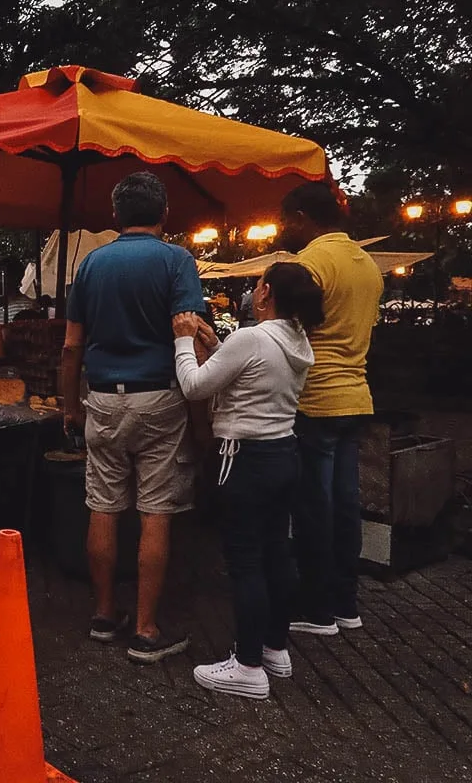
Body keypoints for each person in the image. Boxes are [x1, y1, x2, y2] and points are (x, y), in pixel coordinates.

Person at [61, 171, 203, 664]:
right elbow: (192, 332)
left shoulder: (91, 264)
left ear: (115, 215)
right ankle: (145, 628)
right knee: (155, 510)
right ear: (165, 214)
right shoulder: (177, 261)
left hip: (101, 398)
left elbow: (71, 345)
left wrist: (68, 403)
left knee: (102, 505)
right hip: (159, 397)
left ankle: (104, 615)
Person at [173, 263, 323, 699]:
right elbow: (251, 375)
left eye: (257, 284)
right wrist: (217, 345)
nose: (253, 290)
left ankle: (248, 666)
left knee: (245, 562)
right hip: (282, 452)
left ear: (266, 293)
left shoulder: (253, 338)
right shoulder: (294, 338)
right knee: (277, 553)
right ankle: (275, 647)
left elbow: (195, 386)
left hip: (243, 458)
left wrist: (184, 339)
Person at [280, 182, 384, 636]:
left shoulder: (310, 263)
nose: (285, 228)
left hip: (317, 398)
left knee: (313, 505)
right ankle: (346, 602)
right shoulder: (367, 264)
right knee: (345, 503)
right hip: (357, 396)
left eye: (287, 219)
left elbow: (286, 334)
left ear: (302, 217)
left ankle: (316, 608)